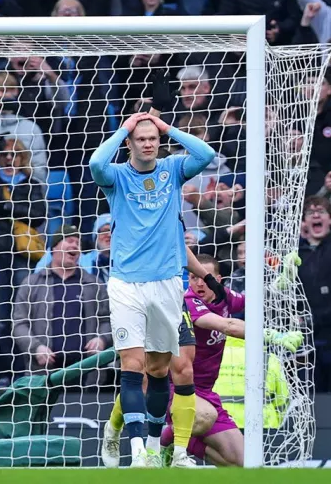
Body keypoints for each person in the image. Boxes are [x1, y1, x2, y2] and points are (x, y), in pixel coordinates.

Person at [88, 111, 224, 467]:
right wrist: (124, 129)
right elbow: (96, 160)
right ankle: (137, 454)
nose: (148, 144)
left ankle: (153, 446)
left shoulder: (173, 170)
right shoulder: (115, 177)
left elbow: (206, 155)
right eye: (141, 138)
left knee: (161, 370)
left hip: (166, 284)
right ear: (130, 143)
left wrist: (167, 128)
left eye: (153, 139)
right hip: (125, 283)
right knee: (132, 365)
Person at [158, 254, 302, 466]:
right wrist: (271, 335)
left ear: (217, 279)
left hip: (206, 393)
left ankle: (186, 442)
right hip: (178, 388)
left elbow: (253, 302)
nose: (198, 283)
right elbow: (227, 326)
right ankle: (166, 438)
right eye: (193, 277)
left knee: (243, 463)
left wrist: (282, 279)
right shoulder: (188, 302)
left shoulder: (223, 295)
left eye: (203, 277)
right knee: (205, 415)